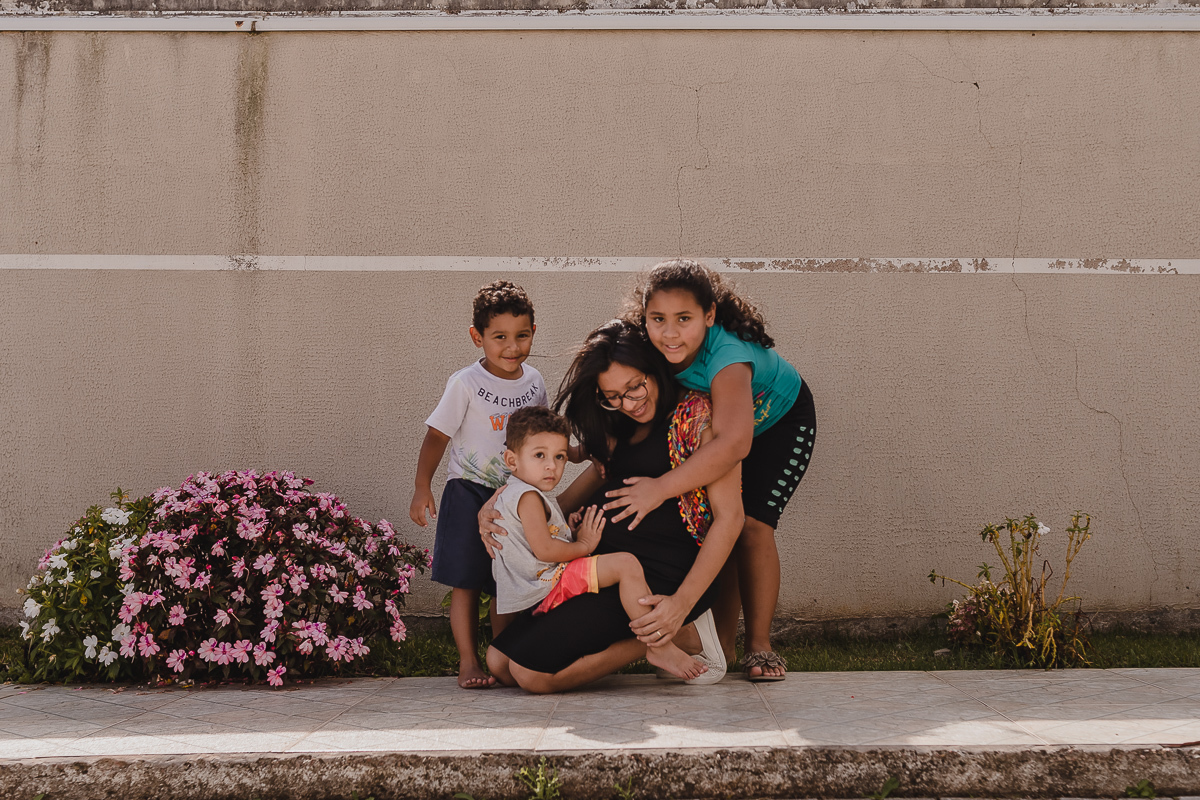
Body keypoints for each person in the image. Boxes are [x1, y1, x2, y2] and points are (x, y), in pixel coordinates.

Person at [482, 320, 744, 694]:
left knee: (531, 675)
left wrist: (681, 604)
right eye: (614, 396)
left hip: (664, 573)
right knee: (500, 663)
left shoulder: (696, 419)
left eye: (636, 386)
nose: (630, 403)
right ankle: (669, 636)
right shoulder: (616, 426)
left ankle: (679, 635)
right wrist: (499, 512)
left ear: (655, 370)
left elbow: (730, 519)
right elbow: (558, 503)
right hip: (602, 570)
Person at [606, 259, 816, 682]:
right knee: (718, 526)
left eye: (684, 319)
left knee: (752, 525)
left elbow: (735, 443)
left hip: (779, 424)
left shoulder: (728, 356)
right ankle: (720, 641)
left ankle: (760, 645)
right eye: (657, 319)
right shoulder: (651, 347)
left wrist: (661, 488)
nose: (669, 332)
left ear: (710, 315)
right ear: (642, 317)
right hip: (720, 426)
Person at [491, 406, 709, 681]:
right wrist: (584, 544)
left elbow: (534, 538)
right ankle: (662, 642)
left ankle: (659, 644)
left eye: (560, 456)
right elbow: (545, 550)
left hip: (539, 590)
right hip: (551, 583)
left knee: (498, 664)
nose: (551, 466)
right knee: (626, 564)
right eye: (539, 456)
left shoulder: (512, 493)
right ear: (512, 460)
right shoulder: (530, 498)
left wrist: (565, 530)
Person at [409, 280, 548, 689]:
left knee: (508, 578)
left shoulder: (534, 381)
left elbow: (541, 435)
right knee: (467, 581)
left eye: (522, 336)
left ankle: (504, 657)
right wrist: (423, 488)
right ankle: (468, 662)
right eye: (499, 337)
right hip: (467, 492)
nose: (512, 347)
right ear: (477, 337)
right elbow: (436, 437)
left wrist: (569, 453)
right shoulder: (465, 383)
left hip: (516, 498)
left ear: (533, 333)